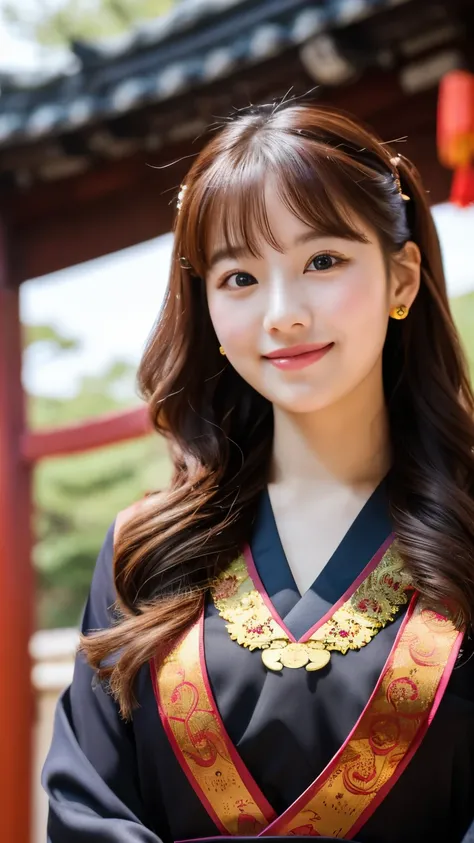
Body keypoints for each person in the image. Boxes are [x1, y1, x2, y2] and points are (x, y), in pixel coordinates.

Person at [43, 100, 474, 843]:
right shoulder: (142, 555)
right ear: (206, 303)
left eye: (323, 261)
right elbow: (86, 810)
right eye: (239, 277)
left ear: (403, 278)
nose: (283, 313)